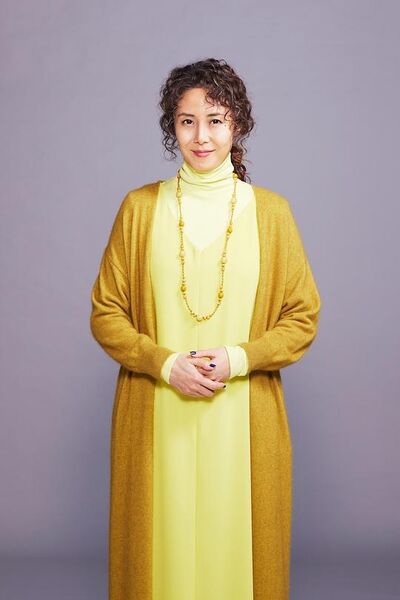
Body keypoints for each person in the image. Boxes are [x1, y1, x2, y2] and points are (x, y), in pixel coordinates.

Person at [90, 58, 321, 600]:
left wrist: (239, 358)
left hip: (242, 416)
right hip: (157, 410)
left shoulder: (271, 214)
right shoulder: (139, 209)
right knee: (160, 561)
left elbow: (302, 316)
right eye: (187, 121)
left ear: (237, 124)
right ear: (171, 127)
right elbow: (106, 312)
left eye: (215, 120)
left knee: (236, 559)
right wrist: (165, 363)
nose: (201, 136)